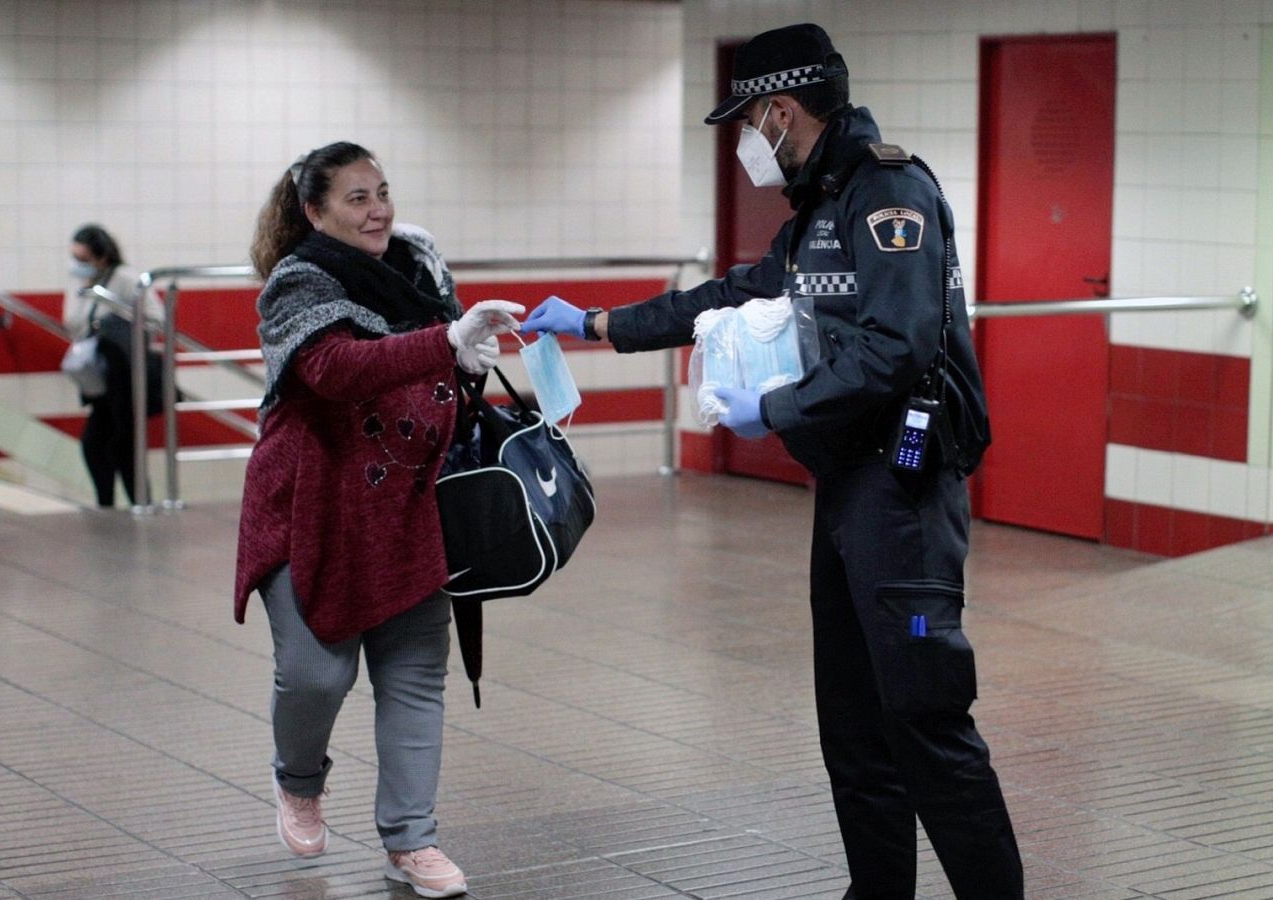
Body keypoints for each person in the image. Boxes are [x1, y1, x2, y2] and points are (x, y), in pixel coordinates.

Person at [521, 23, 1022, 899]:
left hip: (904, 498)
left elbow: (897, 349)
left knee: (925, 712)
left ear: (782, 112)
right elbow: (731, 296)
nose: (749, 143)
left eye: (750, 122)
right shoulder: (820, 212)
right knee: (857, 728)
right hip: (850, 495)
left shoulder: (887, 194)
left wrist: (775, 409)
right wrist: (600, 325)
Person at [234, 141, 519, 898]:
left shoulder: (422, 269)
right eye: (357, 197)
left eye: (383, 191)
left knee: (417, 676)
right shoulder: (297, 283)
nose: (378, 209)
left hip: (407, 505)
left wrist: (463, 366)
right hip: (312, 508)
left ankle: (411, 841)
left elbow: (443, 385)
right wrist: (443, 342)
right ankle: (298, 779)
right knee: (314, 672)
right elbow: (335, 371)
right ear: (315, 211)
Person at [61, 224, 162, 508]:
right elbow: (72, 324)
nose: (77, 265)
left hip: (126, 375)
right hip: (101, 378)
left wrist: (113, 325)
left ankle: (138, 503)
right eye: (74, 258)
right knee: (96, 445)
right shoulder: (82, 284)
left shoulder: (126, 280)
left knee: (121, 446)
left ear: (102, 257)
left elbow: (156, 320)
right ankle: (109, 504)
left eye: (83, 259)